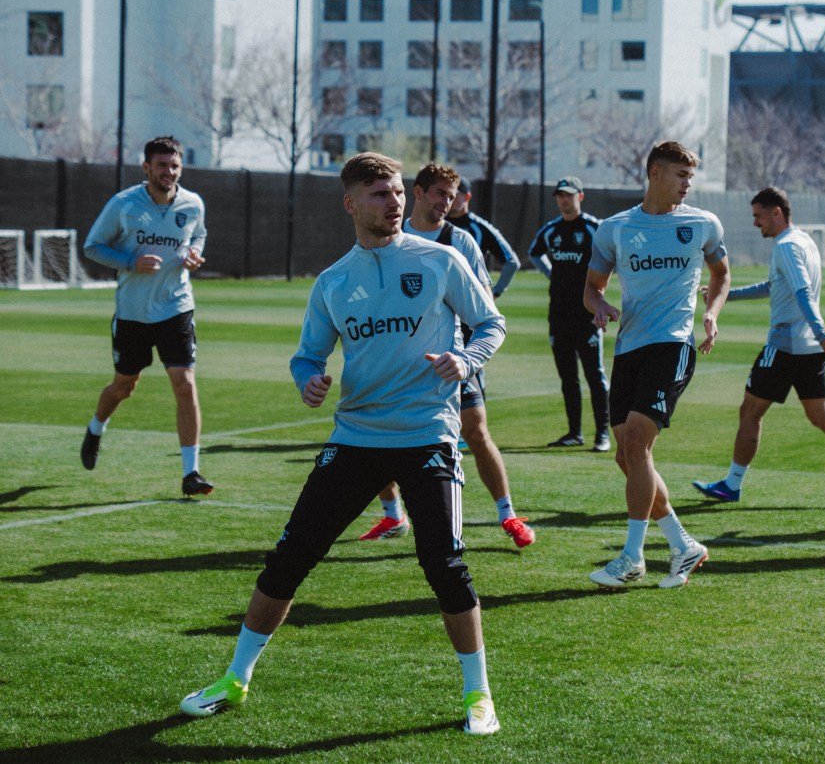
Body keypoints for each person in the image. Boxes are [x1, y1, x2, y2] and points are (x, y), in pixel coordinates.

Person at [180, 152, 506, 734]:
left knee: (446, 564)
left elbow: (491, 323)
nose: (396, 201)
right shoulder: (334, 281)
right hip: (355, 437)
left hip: (428, 435)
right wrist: (306, 378)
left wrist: (466, 357)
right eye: (380, 193)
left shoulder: (442, 260)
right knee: (289, 558)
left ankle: (478, 696)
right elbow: (307, 352)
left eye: (399, 191)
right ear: (351, 203)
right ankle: (234, 679)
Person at [358, 162, 535, 549]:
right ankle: (393, 515)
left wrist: (469, 356)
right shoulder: (391, 236)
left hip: (454, 361)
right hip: (398, 360)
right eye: (440, 194)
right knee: (380, 430)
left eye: (451, 197)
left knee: (475, 430)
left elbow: (483, 306)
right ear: (418, 193)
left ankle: (508, 515)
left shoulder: (461, 242)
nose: (446, 203)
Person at [583, 142, 730, 588]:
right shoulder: (615, 228)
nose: (688, 185)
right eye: (681, 175)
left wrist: (712, 313)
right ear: (655, 172)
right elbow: (592, 286)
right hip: (629, 347)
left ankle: (631, 556)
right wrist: (601, 306)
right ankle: (683, 545)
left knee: (640, 446)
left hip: (674, 344)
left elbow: (722, 274)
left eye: (690, 177)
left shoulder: (702, 223)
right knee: (627, 458)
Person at [692, 187, 825, 508]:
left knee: (750, 411)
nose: (755, 224)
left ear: (776, 212)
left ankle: (732, 484)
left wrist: (822, 332)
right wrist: (726, 295)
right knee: (823, 416)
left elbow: (803, 292)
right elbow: (775, 286)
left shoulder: (787, 247)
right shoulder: (804, 241)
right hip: (809, 350)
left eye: (758, 216)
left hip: (785, 347)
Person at [80, 136, 213, 497]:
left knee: (185, 384)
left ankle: (191, 472)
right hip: (133, 314)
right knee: (124, 386)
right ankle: (96, 427)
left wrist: (193, 254)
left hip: (176, 308)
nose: (169, 172)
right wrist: (129, 263)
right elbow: (92, 245)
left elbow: (197, 236)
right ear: (146, 168)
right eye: (161, 165)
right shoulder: (124, 204)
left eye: (174, 166)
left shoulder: (192, 203)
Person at [529, 176, 611, 452]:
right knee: (568, 377)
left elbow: (613, 256)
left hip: (586, 315)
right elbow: (534, 253)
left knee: (595, 376)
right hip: (558, 315)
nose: (564, 199)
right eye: (560, 195)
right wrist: (551, 273)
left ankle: (603, 433)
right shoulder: (551, 230)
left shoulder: (593, 228)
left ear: (580, 196)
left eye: (569, 195)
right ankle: (574, 432)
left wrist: (600, 292)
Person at [447, 177, 520, 299]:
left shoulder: (479, 228)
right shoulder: (435, 223)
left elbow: (512, 263)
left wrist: (494, 294)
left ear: (467, 197)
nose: (450, 198)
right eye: (447, 193)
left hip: (468, 300)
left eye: (455, 194)